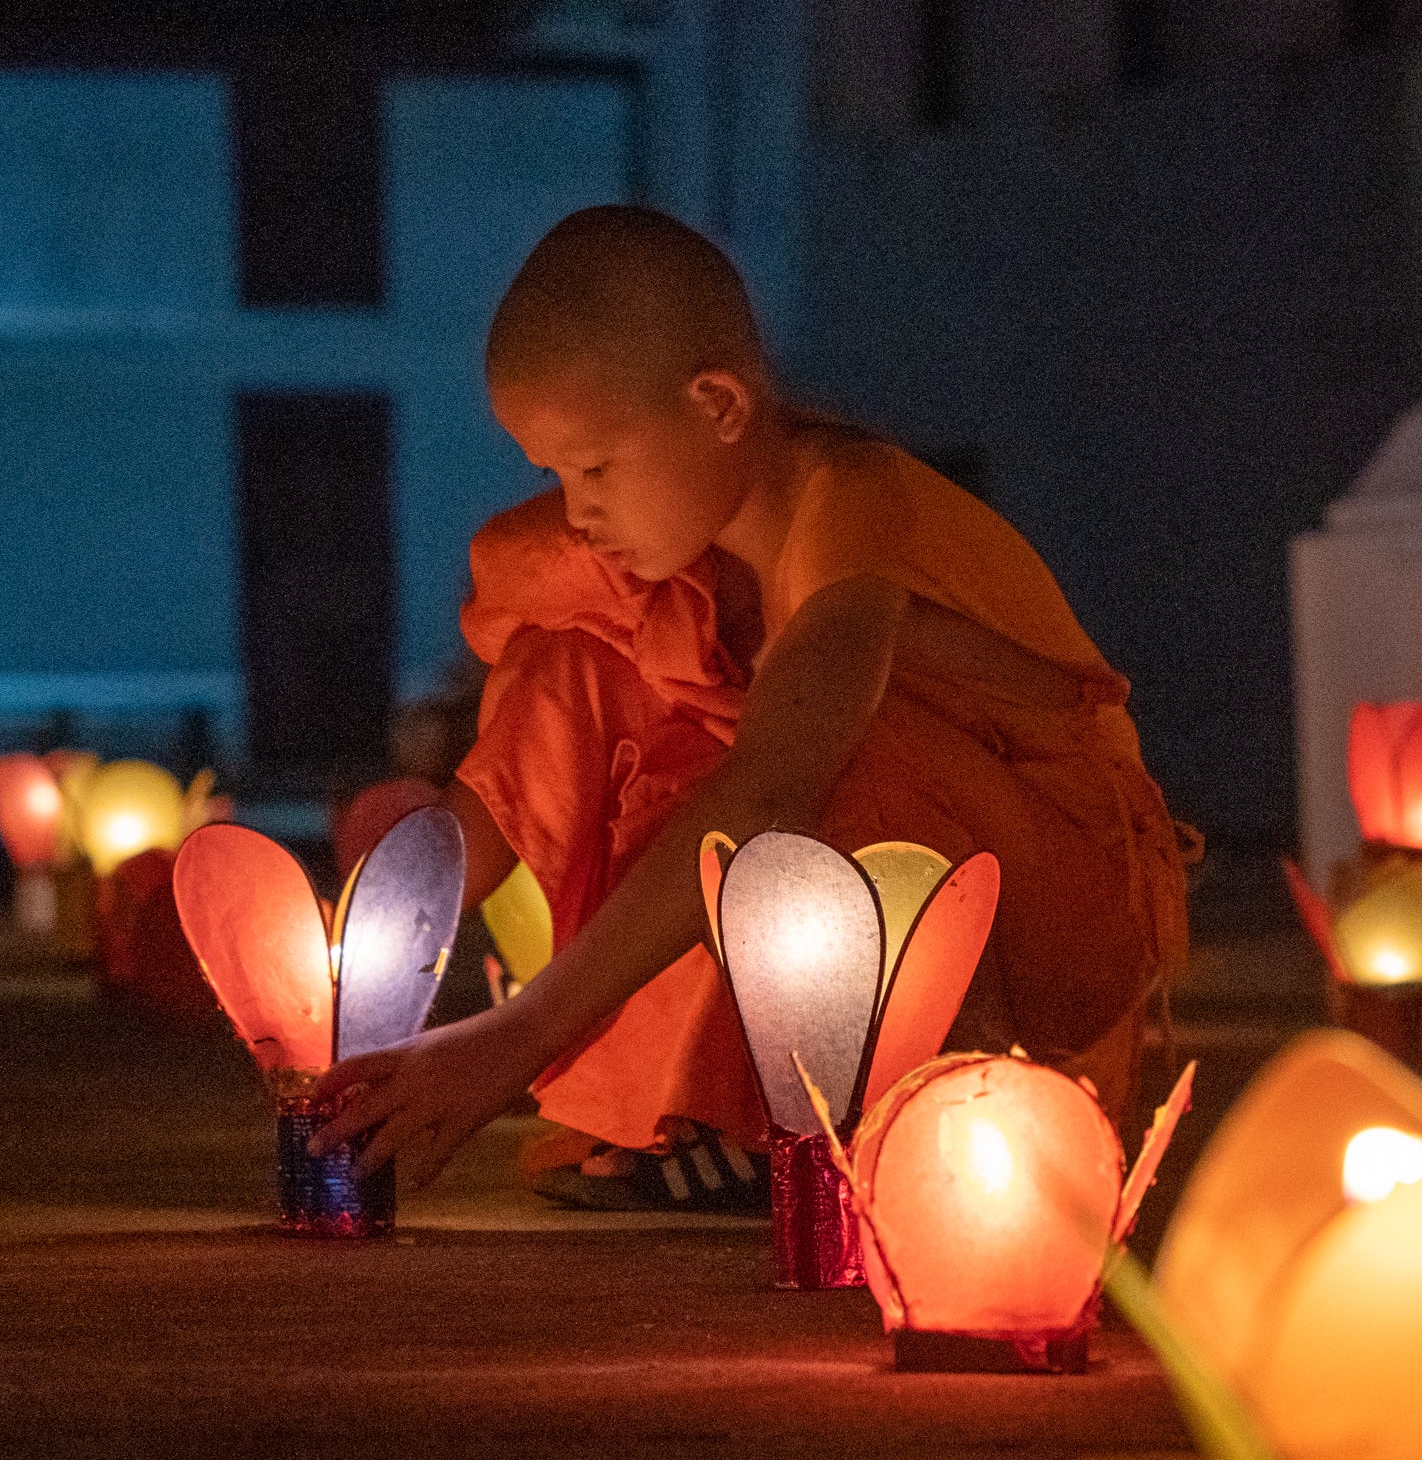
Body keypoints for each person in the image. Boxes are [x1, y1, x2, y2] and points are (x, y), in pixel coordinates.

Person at [315, 206, 1193, 1202]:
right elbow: (536, 767)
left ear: (719, 403)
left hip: (1055, 896)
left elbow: (773, 790)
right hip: (846, 865)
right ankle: (740, 1103)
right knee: (585, 649)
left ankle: (932, 1108)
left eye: (595, 466)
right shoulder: (690, 560)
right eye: (554, 474)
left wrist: (510, 1038)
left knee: (827, 745)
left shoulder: (851, 502)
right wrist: (348, 980)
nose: (577, 508)